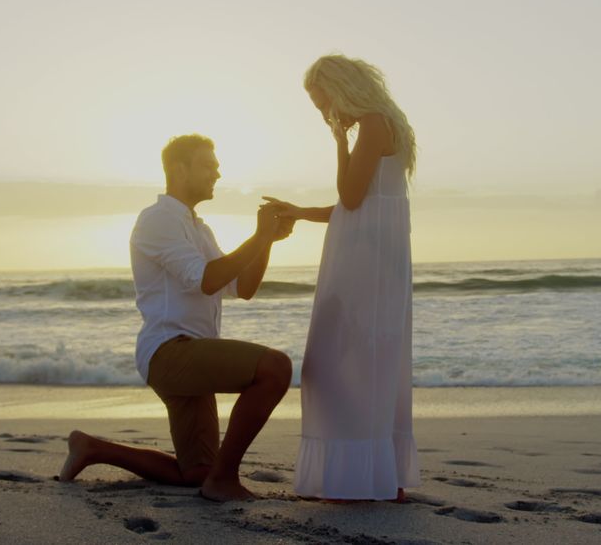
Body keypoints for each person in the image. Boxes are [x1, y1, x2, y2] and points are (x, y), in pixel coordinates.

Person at [60, 134, 295, 502]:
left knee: (195, 473)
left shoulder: (200, 228)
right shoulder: (157, 220)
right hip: (169, 351)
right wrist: (258, 234)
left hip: (192, 352)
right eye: (208, 166)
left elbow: (242, 287)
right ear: (178, 169)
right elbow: (206, 280)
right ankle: (225, 479)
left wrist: (266, 241)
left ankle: (92, 449)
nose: (217, 173)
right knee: (274, 368)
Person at [265, 54, 420, 501]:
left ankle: (356, 478)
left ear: (340, 90)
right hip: (370, 260)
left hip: (363, 268)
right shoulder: (380, 124)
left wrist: (338, 142)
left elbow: (350, 199)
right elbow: (356, 204)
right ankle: (376, 475)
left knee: (342, 363)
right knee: (369, 361)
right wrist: (299, 210)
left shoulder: (372, 124)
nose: (322, 113)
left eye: (322, 102)